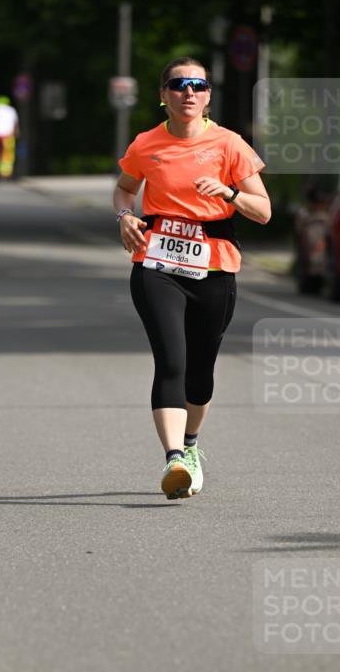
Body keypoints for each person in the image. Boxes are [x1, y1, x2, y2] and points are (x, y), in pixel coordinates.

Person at [114, 56, 271, 500]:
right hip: (156, 265)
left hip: (214, 268)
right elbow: (125, 188)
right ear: (163, 95)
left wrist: (230, 193)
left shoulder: (229, 144)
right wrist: (125, 216)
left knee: (200, 373)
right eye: (179, 84)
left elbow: (263, 211)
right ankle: (174, 459)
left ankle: (190, 445)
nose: (189, 92)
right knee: (172, 361)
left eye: (198, 85)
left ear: (207, 97)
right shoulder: (146, 144)